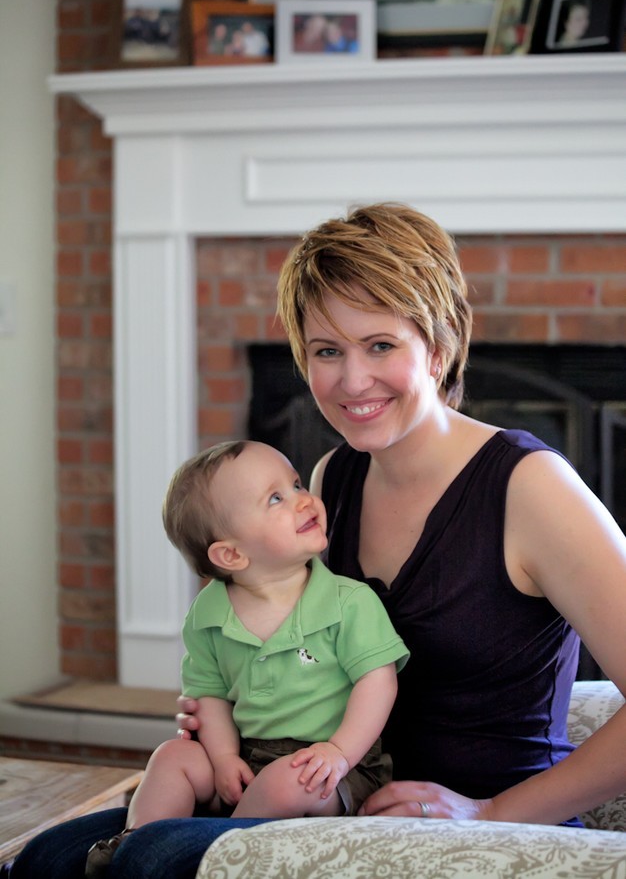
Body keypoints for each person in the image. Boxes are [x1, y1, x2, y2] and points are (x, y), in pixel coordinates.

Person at [11, 202, 626, 878]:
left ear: (439, 344)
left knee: (154, 860)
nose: (352, 381)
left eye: (381, 345)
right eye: (327, 351)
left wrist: (488, 813)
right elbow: (312, 641)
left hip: (488, 830)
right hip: (337, 797)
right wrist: (231, 708)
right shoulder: (336, 476)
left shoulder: (531, 487)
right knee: (48, 857)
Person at [83, 439, 408, 877]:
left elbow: (378, 682)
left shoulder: (348, 602)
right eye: (276, 498)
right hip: (246, 756)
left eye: (296, 484)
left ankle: (218, 853)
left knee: (287, 780)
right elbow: (209, 695)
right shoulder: (209, 614)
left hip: (333, 769)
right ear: (231, 554)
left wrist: (339, 752)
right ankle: (136, 839)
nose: (303, 499)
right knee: (172, 757)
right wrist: (222, 759)